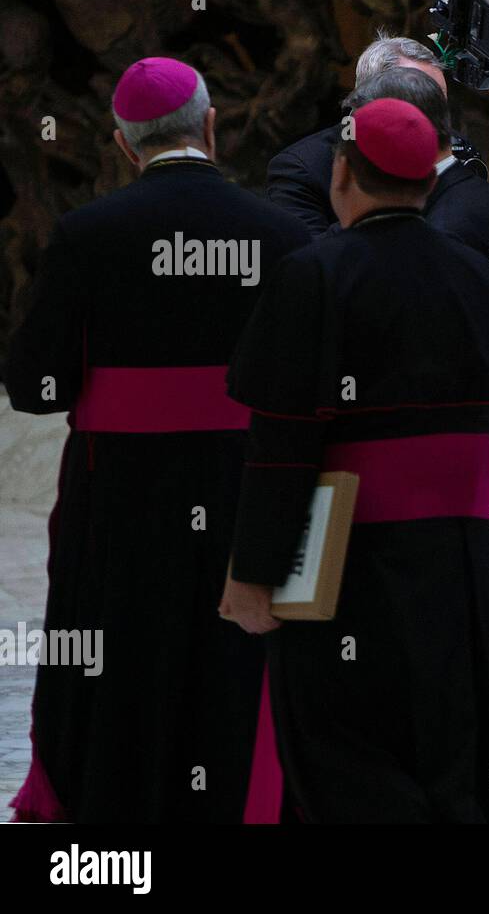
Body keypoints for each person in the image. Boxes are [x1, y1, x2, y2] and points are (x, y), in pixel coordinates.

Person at [219, 98, 489, 822]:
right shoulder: (488, 284)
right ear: (430, 180)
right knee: (458, 751)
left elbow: (280, 445)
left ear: (342, 174)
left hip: (342, 565)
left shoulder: (311, 276)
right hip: (463, 564)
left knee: (343, 752)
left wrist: (253, 575)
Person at [6, 57, 310, 822]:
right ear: (212, 124)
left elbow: (32, 383)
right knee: (232, 655)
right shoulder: (279, 232)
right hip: (244, 483)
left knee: (120, 657)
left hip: (119, 492)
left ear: (122, 144)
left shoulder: (84, 234)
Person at [266, 31, 450, 237]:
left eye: (438, 105)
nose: (433, 122)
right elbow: (309, 257)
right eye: (419, 104)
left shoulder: (449, 151)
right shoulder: (300, 170)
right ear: (368, 101)